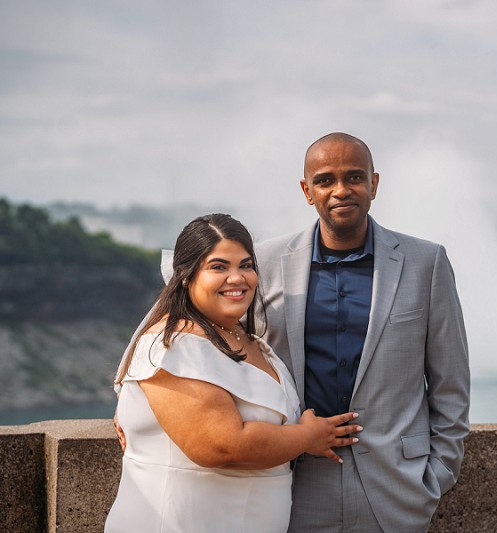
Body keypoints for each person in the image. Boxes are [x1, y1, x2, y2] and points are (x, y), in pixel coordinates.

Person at [257, 132, 470, 532]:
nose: (341, 190)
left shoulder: (427, 262)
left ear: (374, 184)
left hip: (397, 486)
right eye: (325, 180)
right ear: (307, 191)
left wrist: (437, 474)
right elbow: (215, 339)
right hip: (296, 483)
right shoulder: (265, 261)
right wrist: (141, 407)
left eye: (354, 177)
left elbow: (451, 383)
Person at [106, 214, 361, 533]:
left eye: (246, 265)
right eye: (219, 267)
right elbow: (222, 445)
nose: (237, 277)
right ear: (185, 275)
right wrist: (308, 436)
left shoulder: (253, 343)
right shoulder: (173, 345)